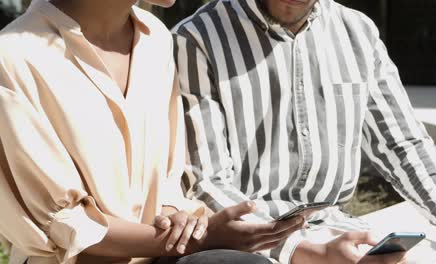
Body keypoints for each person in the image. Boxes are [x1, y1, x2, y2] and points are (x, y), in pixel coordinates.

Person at [0, 0, 307, 263]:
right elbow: (64, 224)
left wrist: (178, 219)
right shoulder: (13, 57)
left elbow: (167, 179)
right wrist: (201, 239)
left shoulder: (155, 38)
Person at [172, 0, 436, 263]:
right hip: (247, 247)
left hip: (339, 230)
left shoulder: (358, 33)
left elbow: (404, 144)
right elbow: (206, 182)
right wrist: (302, 250)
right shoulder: (196, 38)